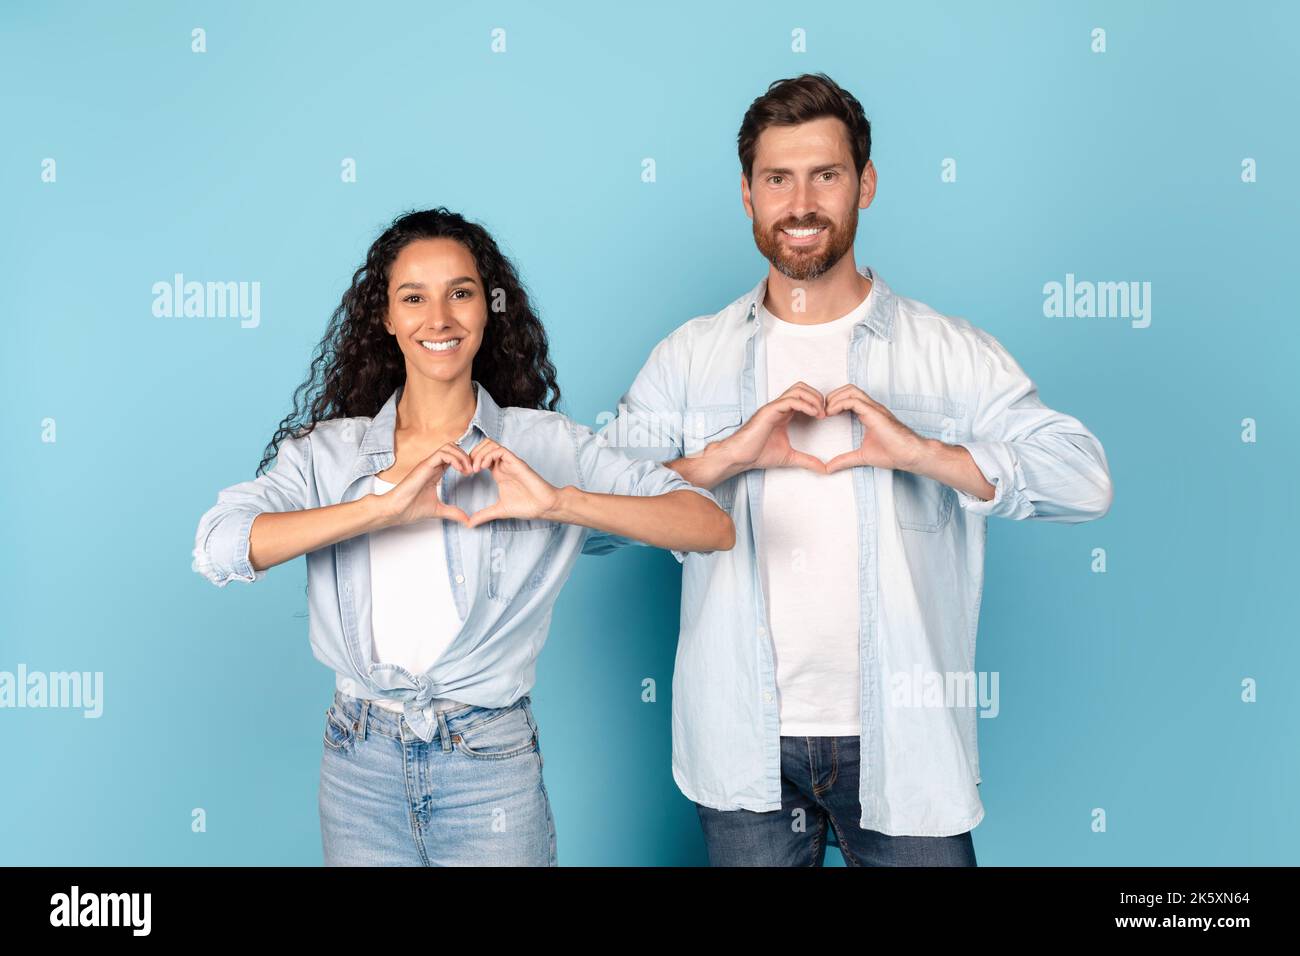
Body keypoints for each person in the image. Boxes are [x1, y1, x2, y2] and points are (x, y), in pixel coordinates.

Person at [586, 73, 1114, 866]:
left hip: (904, 739)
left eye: (825, 175)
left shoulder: (946, 353)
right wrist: (723, 457)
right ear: (747, 193)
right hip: (741, 743)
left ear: (864, 184)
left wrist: (924, 454)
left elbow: (1084, 479)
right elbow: (587, 520)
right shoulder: (691, 358)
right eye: (778, 178)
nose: (801, 202)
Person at [191, 208, 734, 866]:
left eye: (461, 293)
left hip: (489, 765)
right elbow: (219, 546)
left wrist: (560, 501)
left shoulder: (547, 447)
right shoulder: (326, 456)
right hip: (358, 764)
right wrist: (378, 510)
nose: (438, 318)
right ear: (386, 317)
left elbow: (709, 524)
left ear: (488, 308)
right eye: (413, 298)